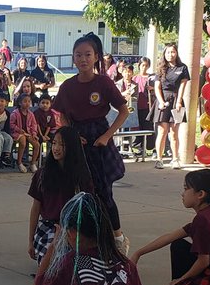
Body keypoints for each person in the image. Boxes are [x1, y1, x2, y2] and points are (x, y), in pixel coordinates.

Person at [52, 32, 130, 254]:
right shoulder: (67, 86)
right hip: (76, 140)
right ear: (73, 58)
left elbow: (123, 110)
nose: (83, 59)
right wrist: (71, 135)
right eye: (78, 55)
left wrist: (107, 136)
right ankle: (79, 241)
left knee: (103, 193)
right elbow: (63, 115)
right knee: (76, 192)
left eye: (87, 54)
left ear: (96, 57)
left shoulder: (103, 82)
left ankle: (118, 239)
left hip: (98, 140)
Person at [28, 126, 93, 264]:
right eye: (54, 143)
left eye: (62, 145)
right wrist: (30, 241)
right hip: (49, 227)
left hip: (74, 227)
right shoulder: (42, 174)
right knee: (55, 261)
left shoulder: (81, 176)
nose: (56, 148)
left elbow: (88, 209)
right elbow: (36, 208)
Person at [153, 43, 190, 169]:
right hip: (162, 100)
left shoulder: (183, 68)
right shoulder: (160, 68)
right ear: (164, 54)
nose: (170, 54)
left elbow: (183, 86)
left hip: (176, 99)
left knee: (174, 132)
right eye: (168, 52)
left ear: (176, 53)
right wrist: (161, 101)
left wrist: (179, 101)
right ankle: (159, 159)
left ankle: (175, 159)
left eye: (173, 52)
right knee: (162, 131)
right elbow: (157, 87)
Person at [10, 93, 40, 173]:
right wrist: (18, 129)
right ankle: (19, 162)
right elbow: (11, 124)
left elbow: (34, 125)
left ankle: (33, 163)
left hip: (28, 133)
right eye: (25, 101)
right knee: (22, 142)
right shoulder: (15, 113)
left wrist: (34, 133)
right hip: (17, 133)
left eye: (29, 101)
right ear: (20, 103)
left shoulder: (31, 114)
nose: (27, 103)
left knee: (37, 144)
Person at [134, 58, 154, 153]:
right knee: (138, 126)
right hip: (137, 106)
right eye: (143, 65)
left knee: (147, 126)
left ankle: (149, 146)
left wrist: (152, 89)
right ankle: (139, 146)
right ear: (139, 66)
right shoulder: (135, 78)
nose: (144, 68)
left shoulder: (152, 77)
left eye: (146, 65)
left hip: (148, 106)